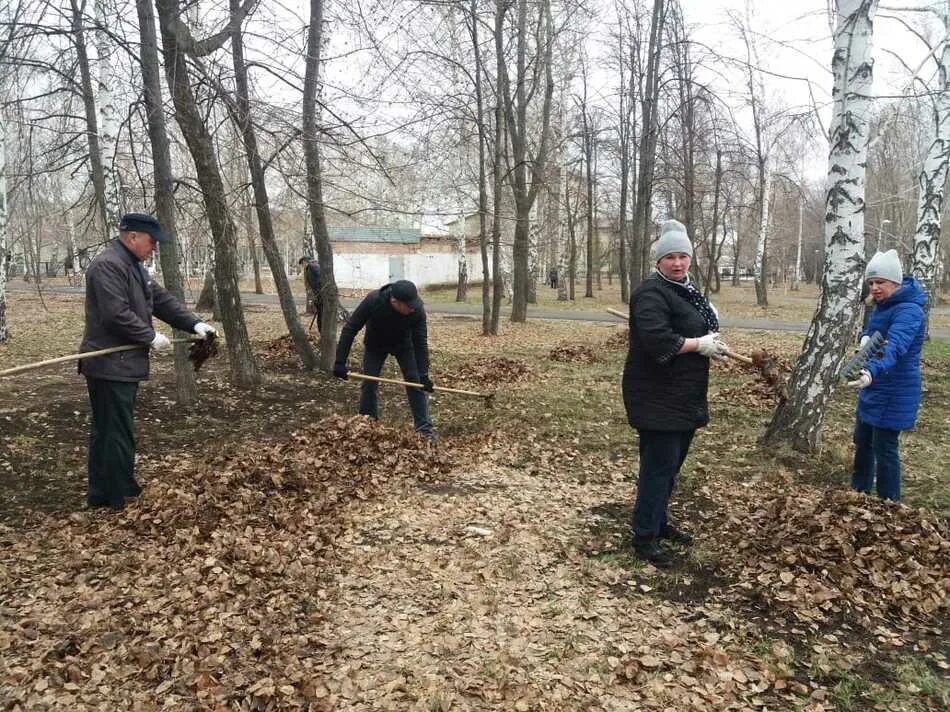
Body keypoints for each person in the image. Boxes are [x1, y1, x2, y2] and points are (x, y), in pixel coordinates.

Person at [79, 213, 216, 511]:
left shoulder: (133, 266)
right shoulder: (108, 266)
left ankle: (103, 493)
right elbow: (115, 314)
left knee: (110, 428)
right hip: (109, 364)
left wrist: (194, 324)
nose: (154, 247)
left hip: (121, 362)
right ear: (133, 237)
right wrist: (150, 337)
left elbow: (161, 300)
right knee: (115, 429)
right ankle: (120, 494)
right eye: (151, 242)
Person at [622, 219, 730, 567]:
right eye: (670, 257)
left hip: (683, 395)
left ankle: (658, 522)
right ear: (658, 261)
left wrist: (712, 331)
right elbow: (657, 341)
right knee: (658, 467)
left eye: (683, 256)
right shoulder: (650, 293)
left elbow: (701, 327)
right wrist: (700, 343)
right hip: (656, 396)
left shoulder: (687, 290)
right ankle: (644, 537)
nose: (678, 263)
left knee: (671, 466)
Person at [847, 249, 926, 502]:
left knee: (885, 448)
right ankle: (858, 492)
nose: (875, 288)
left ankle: (888, 503)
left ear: (896, 282)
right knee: (863, 441)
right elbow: (874, 334)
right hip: (874, 386)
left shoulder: (910, 311)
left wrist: (870, 370)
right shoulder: (882, 306)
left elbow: (894, 346)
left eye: (880, 282)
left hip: (895, 389)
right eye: (871, 283)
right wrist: (864, 339)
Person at [332, 279, 435, 441]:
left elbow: (420, 342)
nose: (413, 308)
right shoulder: (373, 301)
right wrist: (339, 362)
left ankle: (425, 431)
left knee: (415, 382)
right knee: (369, 383)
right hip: (375, 344)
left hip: (403, 345)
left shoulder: (417, 311)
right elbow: (350, 328)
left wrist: (423, 374)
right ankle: (367, 424)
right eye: (408, 305)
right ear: (394, 301)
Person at [299, 255, 323, 332]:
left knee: (321, 313)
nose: (303, 266)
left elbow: (321, 277)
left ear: (305, 262)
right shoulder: (309, 267)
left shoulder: (313, 266)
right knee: (320, 313)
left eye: (302, 264)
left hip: (320, 293)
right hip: (318, 293)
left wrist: (319, 292)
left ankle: (321, 330)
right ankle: (321, 330)